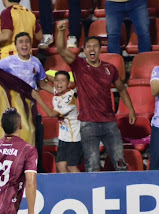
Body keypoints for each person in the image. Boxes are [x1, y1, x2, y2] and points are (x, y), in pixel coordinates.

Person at [56, 21, 136, 172]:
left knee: (120, 163)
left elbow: (122, 89)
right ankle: (92, 195)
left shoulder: (110, 69)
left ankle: (124, 194)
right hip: (88, 124)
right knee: (92, 165)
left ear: (100, 49)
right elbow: (61, 49)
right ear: (84, 50)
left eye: (95, 46)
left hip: (110, 123)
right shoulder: (78, 64)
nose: (92, 49)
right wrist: (61, 31)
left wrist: (131, 110)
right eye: (89, 46)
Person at [0, 32, 53, 172]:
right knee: (17, 146)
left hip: (33, 112)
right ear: (16, 45)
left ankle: (36, 174)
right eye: (21, 42)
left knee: (36, 145)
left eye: (27, 41)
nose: (24, 44)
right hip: (16, 113)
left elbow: (42, 85)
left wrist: (59, 92)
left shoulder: (36, 62)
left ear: (30, 44)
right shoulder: (8, 61)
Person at [49, 71, 82, 173]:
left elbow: (51, 114)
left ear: (68, 84)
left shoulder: (70, 98)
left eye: (63, 81)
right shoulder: (57, 94)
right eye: (57, 80)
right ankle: (70, 188)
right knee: (61, 165)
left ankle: (84, 187)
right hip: (63, 137)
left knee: (71, 166)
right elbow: (43, 85)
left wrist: (37, 97)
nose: (59, 83)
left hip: (74, 138)